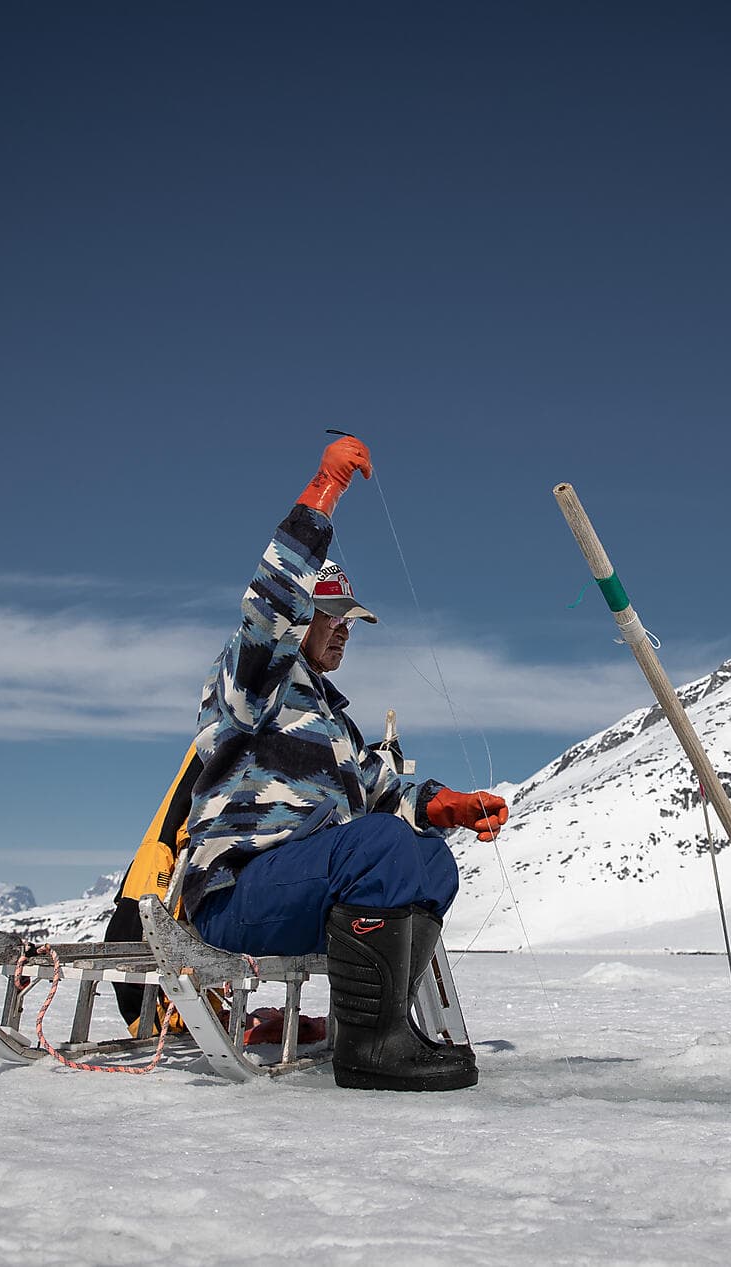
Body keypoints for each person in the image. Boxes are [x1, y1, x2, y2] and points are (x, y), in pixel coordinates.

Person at [175, 435, 508, 1093]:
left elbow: (385, 792)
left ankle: (382, 1027)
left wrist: (449, 808)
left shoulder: (335, 725)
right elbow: (270, 598)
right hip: (236, 895)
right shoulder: (254, 681)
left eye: (351, 619)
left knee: (428, 858)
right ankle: (369, 1051)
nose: (346, 628)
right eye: (332, 615)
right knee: (381, 846)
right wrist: (325, 489)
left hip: (302, 893)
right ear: (300, 620)